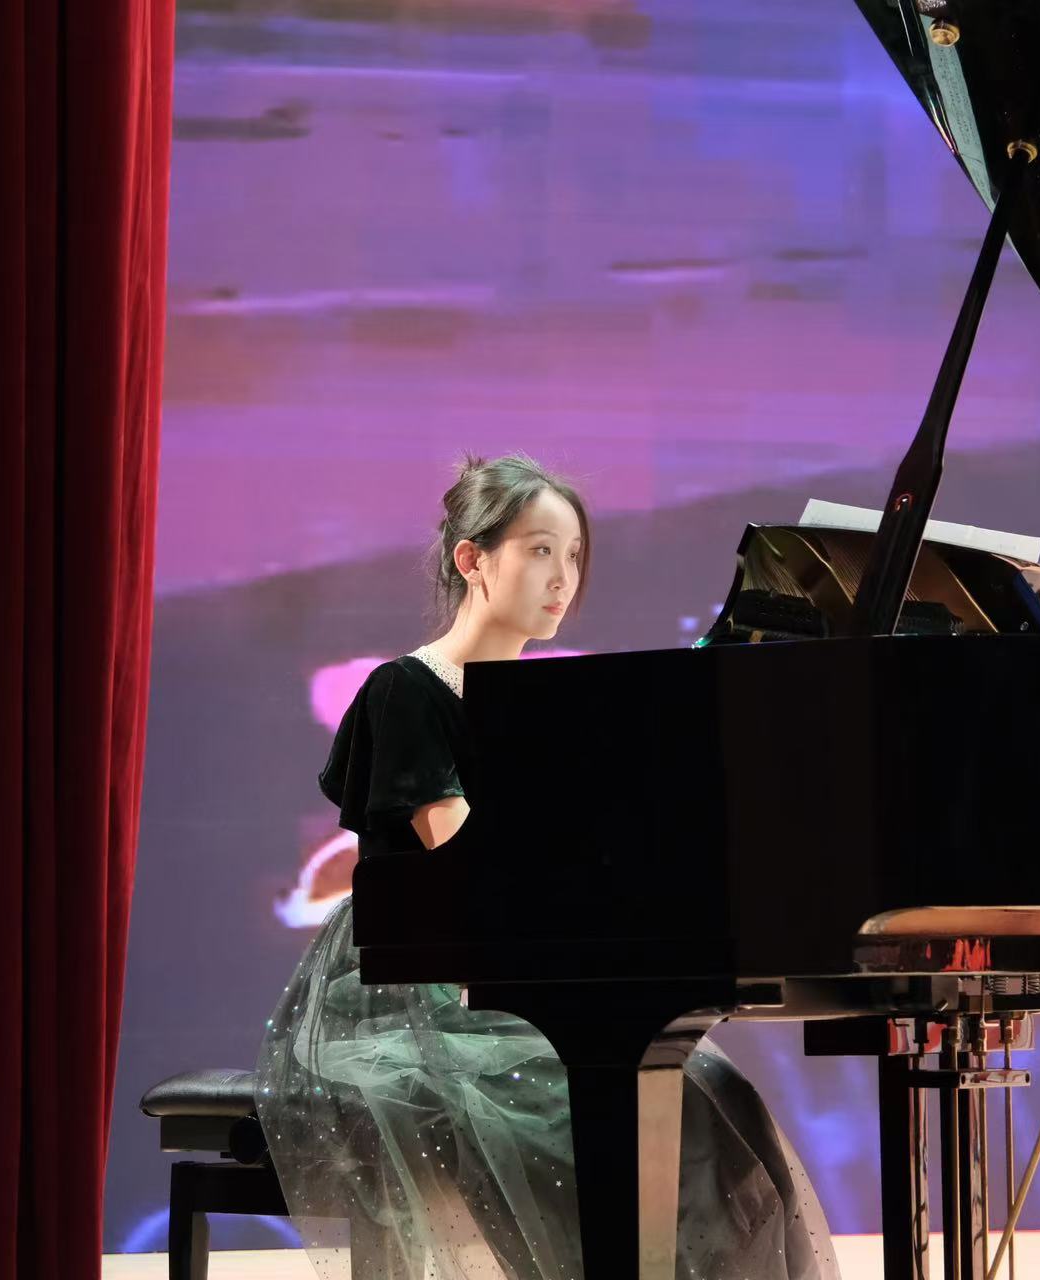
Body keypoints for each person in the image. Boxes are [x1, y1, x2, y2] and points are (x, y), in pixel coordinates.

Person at [256, 454, 839, 1279]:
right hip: (409, 989)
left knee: (710, 1089)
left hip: (514, 968)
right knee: (568, 1103)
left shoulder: (549, 705)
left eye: (573, 556)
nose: (562, 578)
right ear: (472, 558)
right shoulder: (406, 691)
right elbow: (466, 862)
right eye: (538, 551)